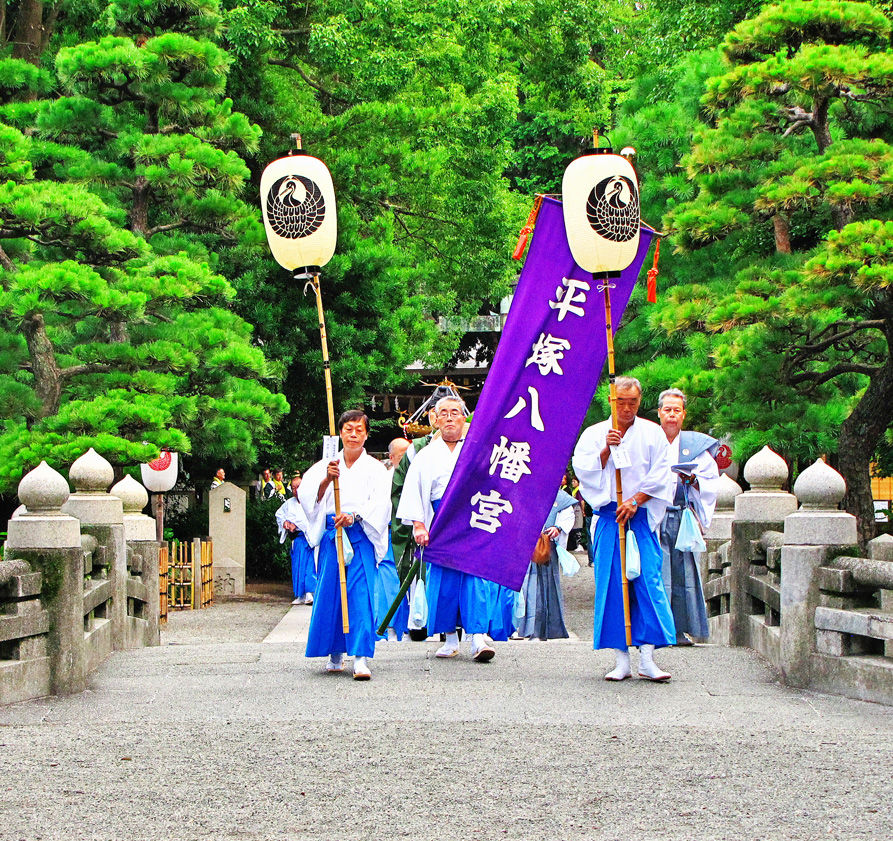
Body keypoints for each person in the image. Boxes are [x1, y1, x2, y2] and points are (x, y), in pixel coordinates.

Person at [572, 376, 676, 682]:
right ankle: (621, 659)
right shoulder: (594, 434)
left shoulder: (653, 433)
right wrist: (606, 449)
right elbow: (583, 470)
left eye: (633, 402)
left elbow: (663, 475)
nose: (627, 408)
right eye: (621, 402)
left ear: (640, 401)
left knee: (646, 583)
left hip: (640, 517)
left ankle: (647, 657)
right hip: (609, 517)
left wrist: (637, 499)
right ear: (611, 401)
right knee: (612, 587)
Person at [397, 396, 497, 662]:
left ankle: (478, 637)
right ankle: (450, 638)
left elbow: (493, 486)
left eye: (455, 412)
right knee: (443, 579)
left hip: (473, 517)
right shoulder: (426, 455)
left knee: (475, 577)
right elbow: (414, 491)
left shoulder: (478, 450)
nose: (450, 417)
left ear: (464, 418)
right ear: (436, 419)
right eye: (444, 413)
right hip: (439, 521)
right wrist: (419, 524)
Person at [299, 410, 390, 680]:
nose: (353, 434)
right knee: (331, 594)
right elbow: (308, 499)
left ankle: (360, 657)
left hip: (360, 534)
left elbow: (382, 504)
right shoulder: (327, 465)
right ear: (340, 432)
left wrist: (354, 516)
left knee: (360, 595)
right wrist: (327, 479)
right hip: (332, 535)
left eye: (359, 430)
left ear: (366, 434)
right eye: (348, 429)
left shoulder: (375, 468)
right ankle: (334, 652)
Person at [657, 388, 720, 646]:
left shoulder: (695, 447)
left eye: (677, 410)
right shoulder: (649, 440)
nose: (672, 415)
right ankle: (656, 629)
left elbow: (710, 481)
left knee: (682, 573)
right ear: (659, 413)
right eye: (667, 410)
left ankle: (680, 629)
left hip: (680, 515)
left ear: (684, 414)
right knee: (655, 572)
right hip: (653, 514)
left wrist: (692, 480)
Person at [513, 487, 577, 640]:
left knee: (547, 586)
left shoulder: (562, 498)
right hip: (525, 546)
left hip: (547, 547)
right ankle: (520, 627)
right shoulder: (525, 491)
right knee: (524, 584)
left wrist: (558, 528)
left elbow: (567, 518)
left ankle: (545, 629)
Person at [275, 474, 317, 606]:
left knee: (309, 566)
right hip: (298, 540)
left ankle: (310, 592)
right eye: (293, 488)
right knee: (298, 565)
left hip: (310, 539)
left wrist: (297, 524)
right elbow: (279, 515)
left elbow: (312, 520)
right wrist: (285, 523)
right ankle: (300, 594)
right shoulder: (289, 503)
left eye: (298, 487)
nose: (296, 490)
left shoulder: (312, 502)